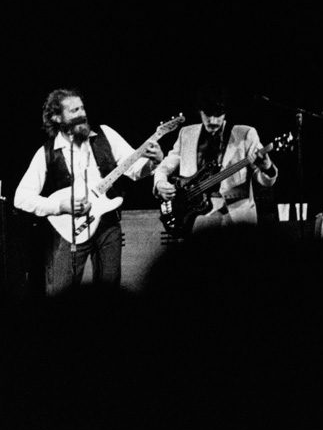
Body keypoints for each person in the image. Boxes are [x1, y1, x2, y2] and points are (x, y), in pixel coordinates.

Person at [14, 89, 164, 296]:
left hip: (107, 224)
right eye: (74, 110)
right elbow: (21, 198)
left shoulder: (105, 135)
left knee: (110, 291)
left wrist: (154, 161)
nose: (82, 114)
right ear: (57, 118)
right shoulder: (47, 153)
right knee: (62, 291)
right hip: (71, 230)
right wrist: (60, 206)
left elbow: (136, 170)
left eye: (82, 108)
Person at [153, 91, 278, 234]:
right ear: (200, 112)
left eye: (218, 115)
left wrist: (267, 167)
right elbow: (164, 167)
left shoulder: (245, 134)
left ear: (225, 113)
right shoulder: (186, 133)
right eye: (207, 114)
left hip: (236, 217)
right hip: (197, 218)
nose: (212, 120)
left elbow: (265, 180)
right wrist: (160, 183)